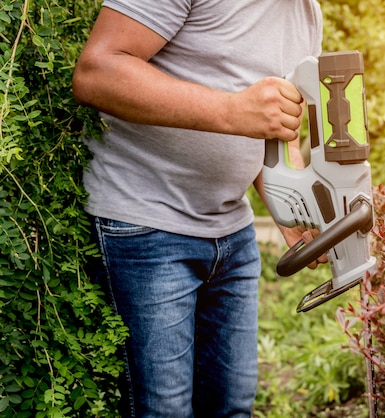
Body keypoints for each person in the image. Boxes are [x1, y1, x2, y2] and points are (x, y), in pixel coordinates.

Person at [72, 1, 326, 416]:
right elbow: (96, 72)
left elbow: (276, 128)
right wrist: (229, 110)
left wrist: (292, 208)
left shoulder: (307, 10)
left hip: (232, 234)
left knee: (230, 408)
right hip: (146, 226)